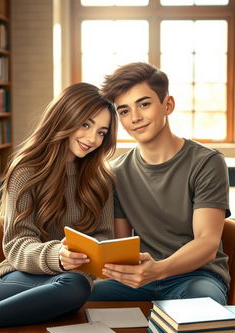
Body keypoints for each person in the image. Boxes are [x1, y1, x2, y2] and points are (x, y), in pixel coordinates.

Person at [89, 62, 230, 305]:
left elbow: (206, 242)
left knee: (203, 314)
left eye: (144, 104)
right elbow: (123, 246)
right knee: (81, 303)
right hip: (140, 278)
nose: (135, 118)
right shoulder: (117, 173)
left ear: (168, 105)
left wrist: (159, 269)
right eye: (124, 111)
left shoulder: (207, 162)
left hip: (196, 276)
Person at [0, 82, 117, 329]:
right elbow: (16, 246)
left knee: (79, 289)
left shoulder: (101, 179)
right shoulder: (26, 171)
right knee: (75, 288)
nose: (92, 138)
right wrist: (59, 256)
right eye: (86, 124)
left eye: (102, 132)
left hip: (72, 281)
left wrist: (91, 256)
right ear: (65, 116)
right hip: (19, 276)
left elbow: (103, 236)